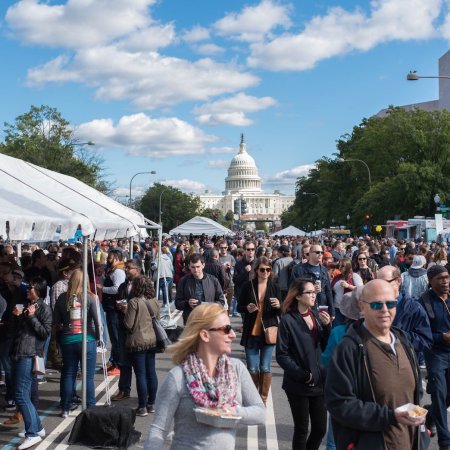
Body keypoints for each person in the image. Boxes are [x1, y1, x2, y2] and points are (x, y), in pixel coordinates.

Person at [144, 303, 265, 450]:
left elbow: (260, 413)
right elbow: (158, 429)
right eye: (226, 329)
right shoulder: (178, 377)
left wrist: (231, 412)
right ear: (205, 335)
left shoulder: (236, 368)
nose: (233, 334)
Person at [326, 280, 424, 450]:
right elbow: (339, 403)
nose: (385, 310)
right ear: (362, 307)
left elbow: (412, 394)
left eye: (391, 303)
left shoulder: (403, 341)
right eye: (377, 304)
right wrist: (389, 416)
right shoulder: (349, 348)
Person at [276, 278, 331, 450]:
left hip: (319, 380)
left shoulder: (316, 315)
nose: (314, 295)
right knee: (301, 430)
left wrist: (327, 326)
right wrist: (302, 374)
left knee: (320, 429)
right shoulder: (288, 320)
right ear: (298, 296)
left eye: (314, 292)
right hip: (299, 382)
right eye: (309, 292)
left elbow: (325, 345)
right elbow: (281, 355)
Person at [10, 277, 52, 449]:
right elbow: (16, 330)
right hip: (19, 351)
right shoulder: (27, 306)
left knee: (20, 395)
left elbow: (44, 333)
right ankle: (37, 428)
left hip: (29, 354)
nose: (27, 290)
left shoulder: (44, 308)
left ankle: (32, 433)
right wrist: (17, 317)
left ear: (39, 291)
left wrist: (32, 317)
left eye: (31, 288)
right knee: (23, 394)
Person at [54, 270, 100, 418]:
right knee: (88, 376)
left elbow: (56, 322)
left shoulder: (62, 298)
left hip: (68, 340)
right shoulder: (91, 297)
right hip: (87, 339)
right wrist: (99, 338)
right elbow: (98, 322)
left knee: (68, 374)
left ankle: (65, 408)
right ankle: (90, 408)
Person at [321, 286, 362, 450]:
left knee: (334, 440)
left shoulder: (338, 332)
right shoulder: (377, 333)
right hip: (368, 392)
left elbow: (326, 360)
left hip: (341, 389)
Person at [237, 256, 281, 404]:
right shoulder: (248, 286)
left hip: (269, 331)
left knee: (265, 367)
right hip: (251, 331)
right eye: (262, 269)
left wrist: (278, 306)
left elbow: (282, 311)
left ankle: (262, 399)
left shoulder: (275, 287)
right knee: (252, 368)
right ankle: (252, 398)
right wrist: (247, 308)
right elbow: (239, 306)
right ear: (256, 270)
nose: (266, 272)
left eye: (268, 269)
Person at [419, 265, 450, 449]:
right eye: (440, 278)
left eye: (447, 277)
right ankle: (445, 441)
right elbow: (423, 332)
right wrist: (442, 337)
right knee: (438, 393)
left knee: (447, 396)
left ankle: (430, 415)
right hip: (435, 353)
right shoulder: (424, 302)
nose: (445, 281)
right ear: (431, 281)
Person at [122, 276, 159, 416]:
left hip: (138, 341)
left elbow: (129, 324)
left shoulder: (134, 302)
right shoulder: (154, 301)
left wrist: (124, 313)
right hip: (152, 340)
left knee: (141, 374)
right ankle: (152, 404)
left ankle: (142, 406)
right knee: (151, 372)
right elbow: (158, 319)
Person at [377, 265, 432, 357]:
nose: (380, 287)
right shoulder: (373, 306)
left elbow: (425, 342)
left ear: (398, 281)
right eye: (378, 282)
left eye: (385, 282)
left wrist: (395, 336)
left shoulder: (414, 308)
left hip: (405, 365)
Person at [175, 254, 226, 324]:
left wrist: (206, 305)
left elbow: (221, 302)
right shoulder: (183, 281)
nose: (195, 270)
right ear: (189, 266)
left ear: (203, 265)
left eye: (198, 267)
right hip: (191, 320)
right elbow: (177, 303)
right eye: (193, 267)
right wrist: (187, 303)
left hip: (209, 319)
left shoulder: (213, 280)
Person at [290, 244, 335, 317]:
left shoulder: (323, 269)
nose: (320, 254)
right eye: (317, 252)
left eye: (322, 252)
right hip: (306, 308)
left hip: (322, 307)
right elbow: (293, 289)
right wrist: (311, 288)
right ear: (310, 254)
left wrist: (332, 312)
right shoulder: (299, 269)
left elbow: (328, 291)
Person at [331, 257, 363, 326]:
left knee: (349, 330)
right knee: (338, 330)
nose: (340, 268)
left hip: (350, 309)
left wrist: (348, 286)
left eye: (342, 266)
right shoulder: (336, 278)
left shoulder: (354, 276)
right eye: (339, 265)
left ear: (348, 266)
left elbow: (361, 290)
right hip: (337, 308)